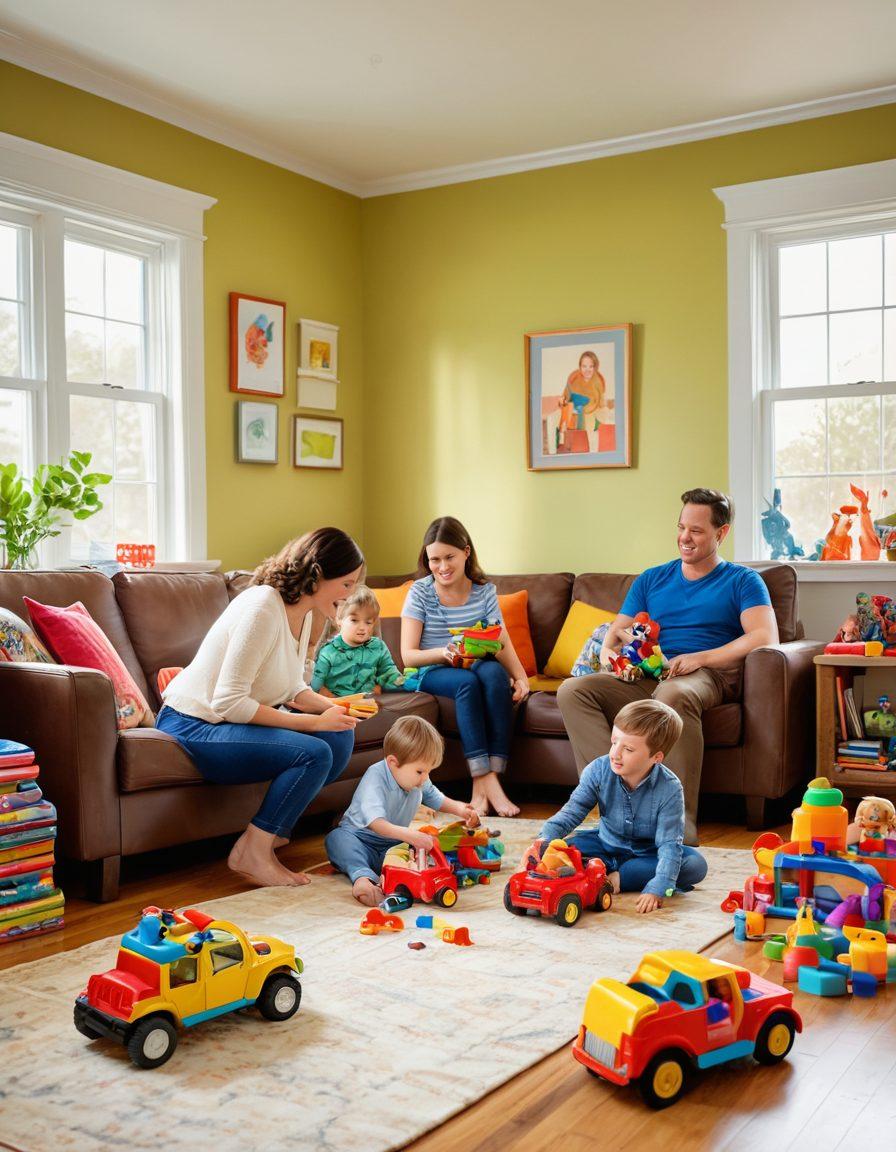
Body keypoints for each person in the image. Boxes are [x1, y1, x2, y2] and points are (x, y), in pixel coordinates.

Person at [558, 488, 779, 845]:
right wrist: (612, 661)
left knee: (671, 695)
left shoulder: (743, 580)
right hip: (650, 674)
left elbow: (765, 637)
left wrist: (700, 658)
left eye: (696, 530)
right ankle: (614, 810)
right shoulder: (652, 578)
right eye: (681, 527)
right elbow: (617, 631)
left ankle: (676, 825)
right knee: (573, 691)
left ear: (721, 534)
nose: (684, 538)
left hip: (704, 676)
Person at [157, 528, 364, 890]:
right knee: (314, 750)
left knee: (340, 737)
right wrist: (313, 724)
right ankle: (252, 852)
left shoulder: (310, 615)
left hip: (226, 723)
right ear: (317, 576)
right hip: (193, 723)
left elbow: (293, 687)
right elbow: (229, 702)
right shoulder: (262, 607)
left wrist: (334, 707)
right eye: (346, 585)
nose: (351, 595)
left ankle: (274, 830)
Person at [400, 516, 530, 818]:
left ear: (466, 553)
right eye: (435, 559)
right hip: (431, 668)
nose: (442, 567)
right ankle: (486, 781)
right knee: (466, 683)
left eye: (449, 557)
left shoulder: (484, 591)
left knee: (496, 675)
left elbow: (500, 639)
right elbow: (408, 656)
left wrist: (521, 677)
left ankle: (486, 785)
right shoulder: (420, 592)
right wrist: (445, 653)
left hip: (475, 663)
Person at [534, 699, 707, 914]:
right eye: (614, 742)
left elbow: (669, 845)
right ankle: (602, 870)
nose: (615, 753)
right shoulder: (598, 770)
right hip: (605, 844)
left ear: (656, 757)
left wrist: (658, 887)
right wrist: (544, 841)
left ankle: (620, 877)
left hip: (648, 853)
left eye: (628, 749)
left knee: (695, 865)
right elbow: (570, 813)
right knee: (561, 850)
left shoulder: (670, 789)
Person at [325, 715, 480, 906]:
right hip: (360, 838)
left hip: (393, 845)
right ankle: (363, 879)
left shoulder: (418, 780)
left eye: (429, 772)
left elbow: (434, 797)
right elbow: (377, 824)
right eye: (420, 772)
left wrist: (460, 809)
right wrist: (410, 835)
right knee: (337, 839)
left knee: (411, 853)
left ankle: (396, 877)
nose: (425, 778)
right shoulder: (375, 777)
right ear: (393, 762)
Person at [311, 585, 404, 697]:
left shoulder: (378, 647)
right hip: (338, 704)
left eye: (368, 622)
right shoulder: (328, 652)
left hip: (368, 702)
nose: (362, 627)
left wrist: (401, 682)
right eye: (354, 620)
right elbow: (316, 684)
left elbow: (388, 672)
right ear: (339, 619)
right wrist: (329, 697)